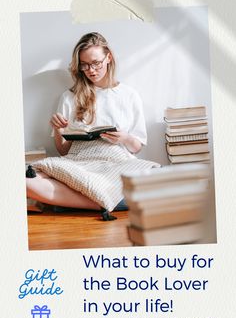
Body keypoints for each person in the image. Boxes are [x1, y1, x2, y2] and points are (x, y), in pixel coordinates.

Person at [26, 32, 158, 212]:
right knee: (26, 182)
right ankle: (105, 201)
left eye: (96, 63)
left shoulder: (129, 95)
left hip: (116, 162)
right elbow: (63, 150)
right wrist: (58, 130)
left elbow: (136, 147)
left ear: (108, 58)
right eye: (85, 65)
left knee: (157, 179)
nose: (91, 70)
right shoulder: (69, 97)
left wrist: (124, 138)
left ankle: (75, 201)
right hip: (79, 163)